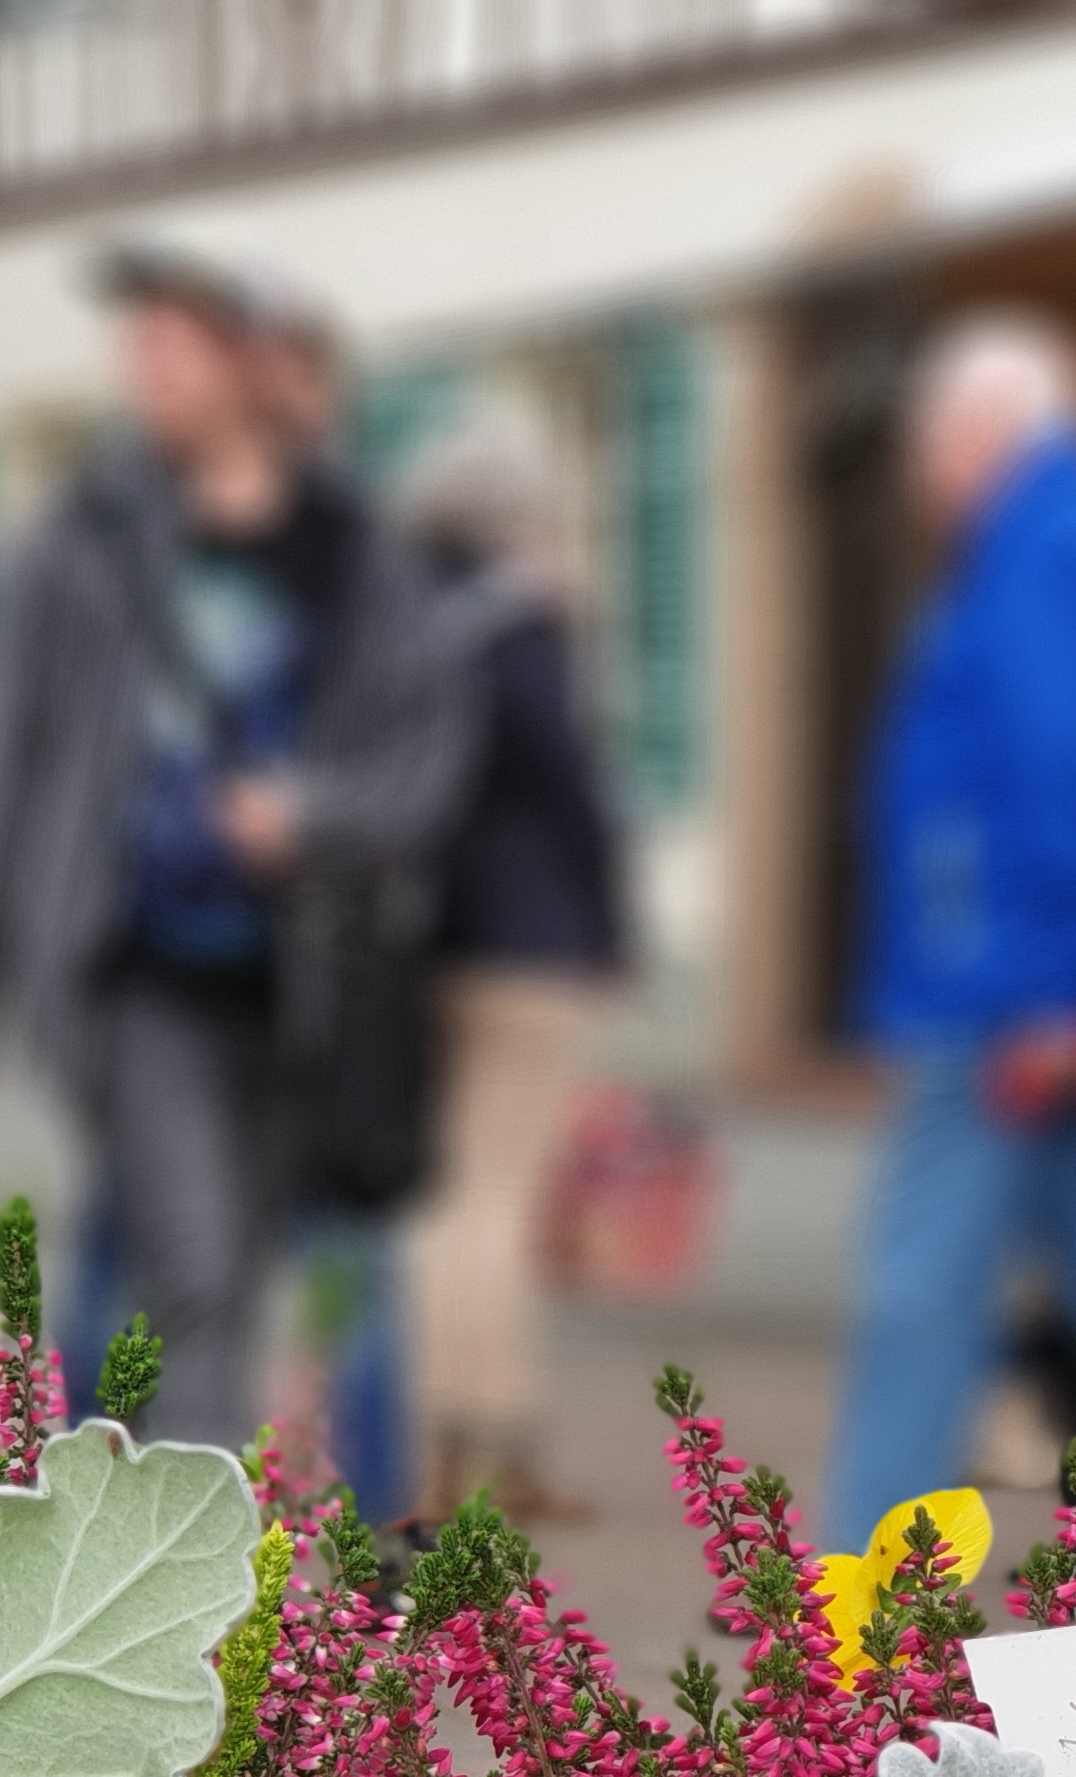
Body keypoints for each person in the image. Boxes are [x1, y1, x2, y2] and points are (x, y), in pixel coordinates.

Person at [0, 236, 468, 1461]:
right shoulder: (81, 542)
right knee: (201, 1274)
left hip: (313, 981)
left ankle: (202, 1553)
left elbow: (426, 757)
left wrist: (307, 817)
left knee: (248, 1285)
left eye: (172, 339)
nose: (139, 365)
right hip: (134, 971)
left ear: (249, 360)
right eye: (133, 339)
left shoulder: (353, 549)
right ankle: (204, 1608)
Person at [823, 312, 1076, 1543]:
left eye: (924, 442)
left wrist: (1057, 987)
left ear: (983, 429)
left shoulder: (1044, 549)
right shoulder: (1058, 541)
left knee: (922, 1290)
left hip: (1010, 994)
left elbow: (1074, 779)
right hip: (1028, 982)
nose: (916, 474)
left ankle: (849, 1599)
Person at [390, 402, 628, 1524]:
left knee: (453, 1197)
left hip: (424, 940)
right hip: (528, 941)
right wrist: (612, 926)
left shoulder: (399, 618)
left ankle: (458, 1450)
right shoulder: (520, 625)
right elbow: (574, 787)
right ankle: (484, 1447)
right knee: (496, 1199)